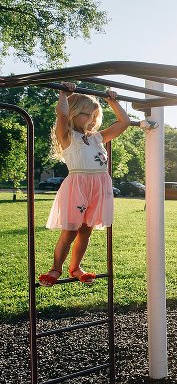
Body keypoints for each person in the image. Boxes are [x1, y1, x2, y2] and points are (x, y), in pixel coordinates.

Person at [37, 83, 130, 286]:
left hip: (98, 187)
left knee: (86, 230)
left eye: (94, 116)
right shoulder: (68, 137)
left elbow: (124, 122)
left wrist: (112, 102)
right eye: (86, 114)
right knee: (70, 231)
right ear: (74, 113)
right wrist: (63, 95)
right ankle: (55, 269)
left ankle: (76, 267)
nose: (91, 120)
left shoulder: (97, 138)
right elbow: (61, 116)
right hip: (77, 186)